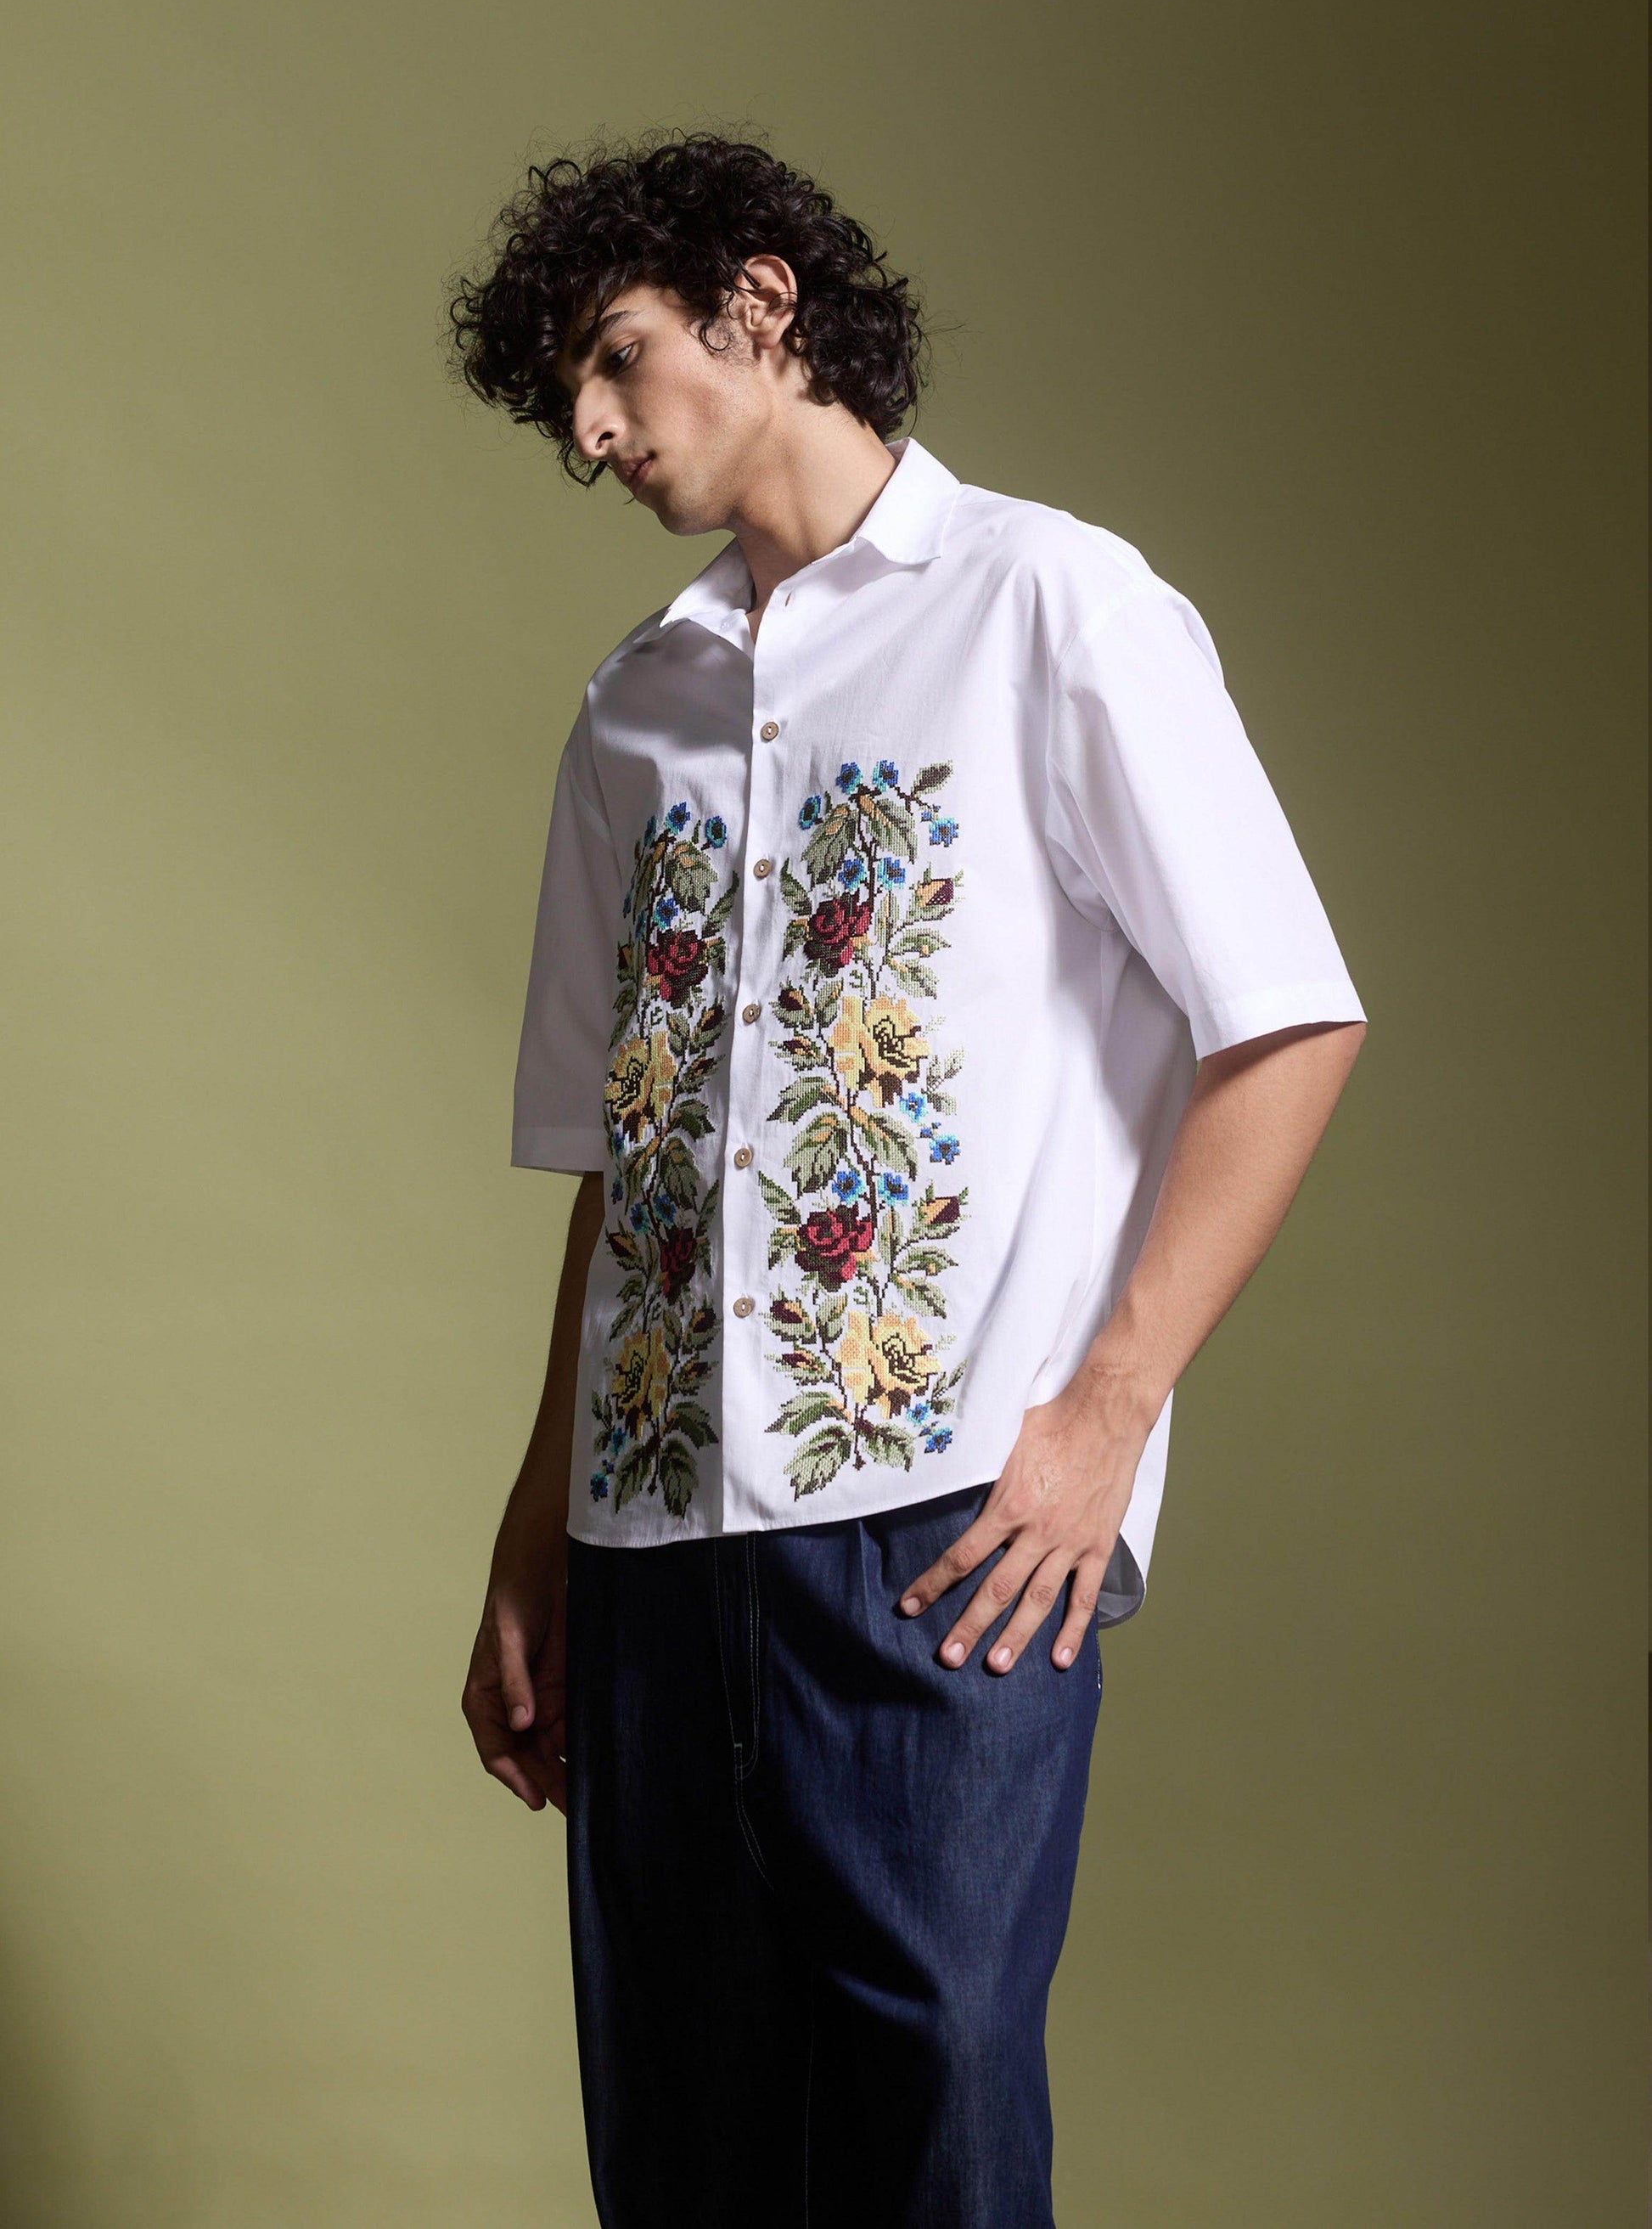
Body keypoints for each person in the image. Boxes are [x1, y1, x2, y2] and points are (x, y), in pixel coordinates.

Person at [448, 132, 1367, 2229]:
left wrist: (1105, 1412)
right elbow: (628, 1167)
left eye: (615, 356)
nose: (589, 429)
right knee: (682, 2155)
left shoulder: (1052, 604)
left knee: (932, 2133)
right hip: (653, 1554)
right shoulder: (631, 714)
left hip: (942, 1535)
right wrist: (535, 1531)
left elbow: (1286, 1021)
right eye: (563, 394)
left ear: (762, 304)